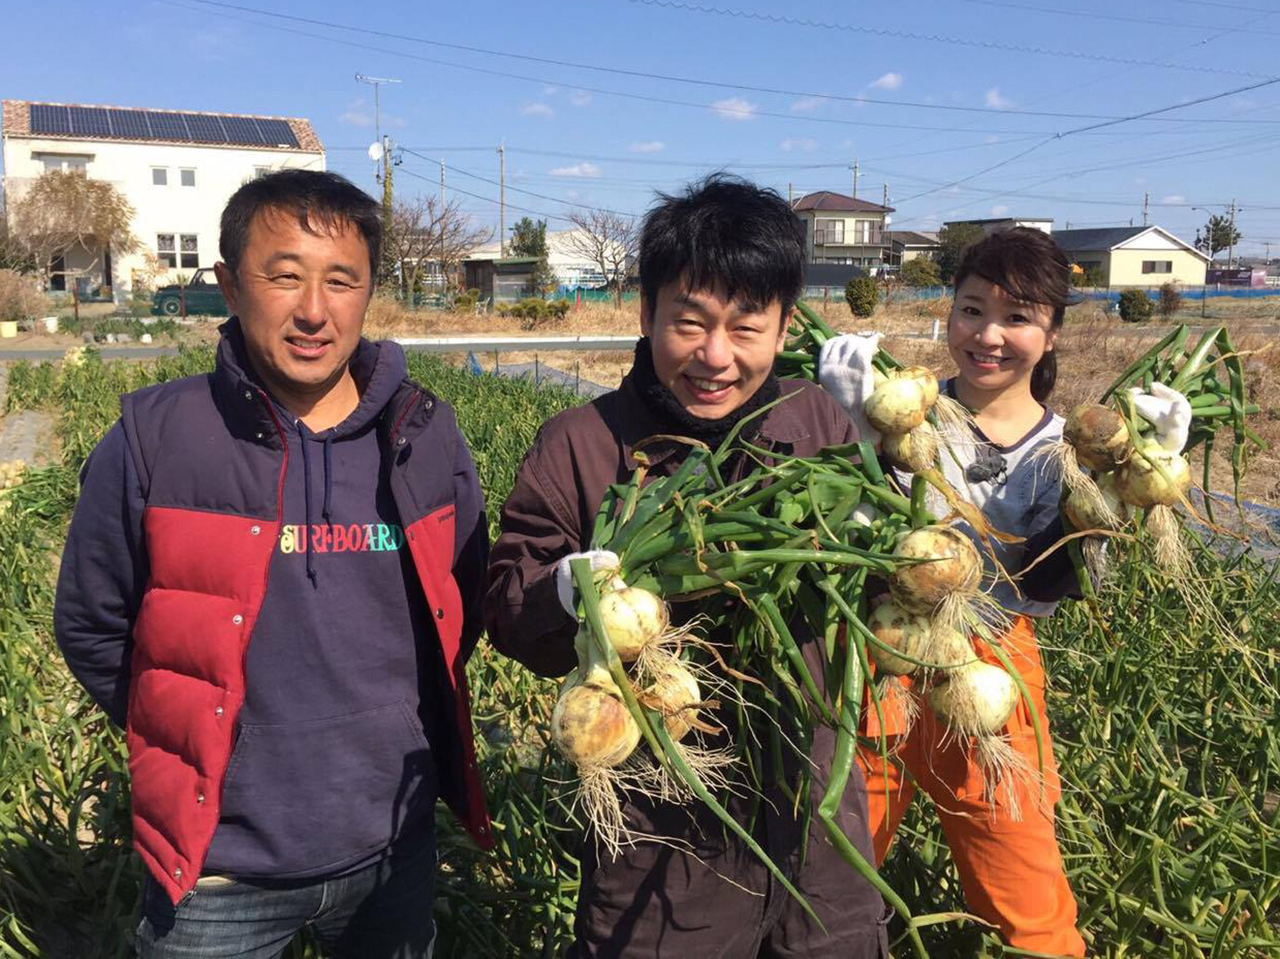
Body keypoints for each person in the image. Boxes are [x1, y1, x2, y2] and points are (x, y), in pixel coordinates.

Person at [54, 169, 491, 957]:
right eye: (283, 276)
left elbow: (465, 604)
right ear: (228, 283)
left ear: (368, 292)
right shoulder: (159, 438)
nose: (314, 311)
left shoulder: (424, 436)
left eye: (341, 281)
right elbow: (92, 622)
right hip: (217, 868)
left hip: (393, 846)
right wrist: (193, 733)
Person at [485, 174, 888, 958]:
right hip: (658, 841)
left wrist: (893, 508)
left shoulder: (817, 422)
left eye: (746, 328)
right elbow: (507, 609)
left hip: (818, 824)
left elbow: (871, 605)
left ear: (782, 327)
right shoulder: (582, 443)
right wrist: (566, 596)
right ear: (645, 313)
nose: (715, 356)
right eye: (689, 323)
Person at [819, 226, 1087, 956]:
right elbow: (847, 536)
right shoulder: (899, 408)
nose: (988, 335)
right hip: (883, 659)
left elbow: (1048, 580)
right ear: (950, 312)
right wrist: (849, 432)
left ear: (1053, 332)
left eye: (1018, 317)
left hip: (991, 672)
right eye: (972, 309)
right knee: (829, 872)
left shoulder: (1067, 453)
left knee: (1026, 896)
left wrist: (1126, 487)